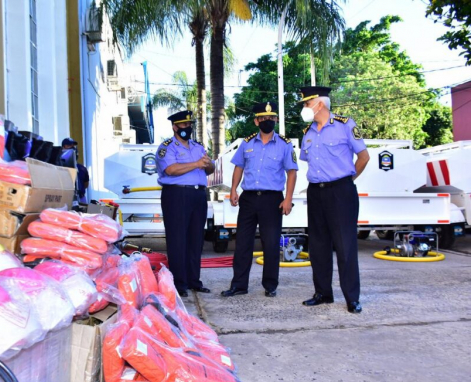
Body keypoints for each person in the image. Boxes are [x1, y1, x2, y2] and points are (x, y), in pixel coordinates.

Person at [298, 86, 370, 314]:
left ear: (319, 104)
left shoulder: (345, 124)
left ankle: (352, 298)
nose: (304, 108)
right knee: (318, 245)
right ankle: (323, 293)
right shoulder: (307, 132)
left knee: (345, 246)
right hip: (315, 192)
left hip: (341, 191)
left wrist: (347, 180)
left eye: (307, 103)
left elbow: (364, 157)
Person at [221, 101, 298, 298]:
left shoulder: (285, 145)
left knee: (271, 244)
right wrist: (233, 190)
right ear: (256, 121)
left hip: (272, 200)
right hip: (248, 199)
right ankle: (239, 285)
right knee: (243, 244)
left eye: (271, 118)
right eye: (263, 118)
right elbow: (239, 167)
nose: (268, 121)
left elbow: (292, 173)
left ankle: (270, 286)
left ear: (276, 120)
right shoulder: (246, 143)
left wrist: (288, 199)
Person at [155, 110, 215, 297]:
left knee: (196, 240)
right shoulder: (167, 147)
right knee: (178, 240)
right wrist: (197, 164)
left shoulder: (197, 146)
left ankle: (193, 280)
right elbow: (171, 169)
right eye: (183, 125)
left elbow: (209, 168)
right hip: (177, 195)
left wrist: (207, 164)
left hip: (198, 195)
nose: (187, 128)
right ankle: (179, 283)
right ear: (174, 127)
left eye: (189, 125)